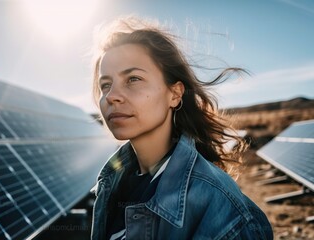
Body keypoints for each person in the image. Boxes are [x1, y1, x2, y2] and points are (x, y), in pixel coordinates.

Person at [90, 16, 273, 240]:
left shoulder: (223, 209)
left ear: (175, 94)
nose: (112, 96)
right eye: (105, 85)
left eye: (133, 79)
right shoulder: (110, 184)